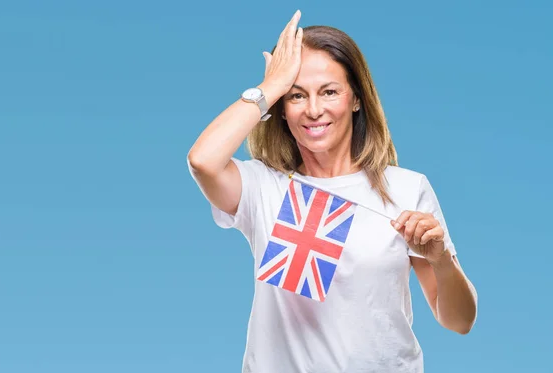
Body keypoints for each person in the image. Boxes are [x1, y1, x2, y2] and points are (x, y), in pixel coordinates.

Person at [187, 10, 478, 373]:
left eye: (329, 92)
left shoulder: (405, 188)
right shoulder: (264, 186)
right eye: (296, 96)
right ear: (280, 108)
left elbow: (460, 321)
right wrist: (270, 87)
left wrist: (440, 259)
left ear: (356, 98)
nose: (313, 110)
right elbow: (203, 160)